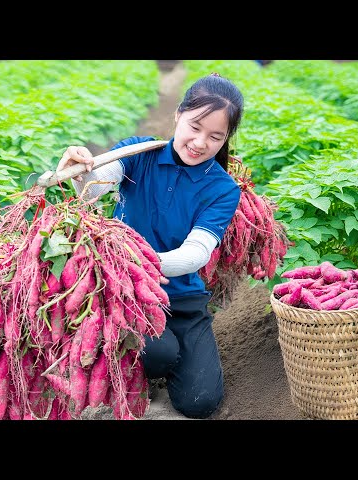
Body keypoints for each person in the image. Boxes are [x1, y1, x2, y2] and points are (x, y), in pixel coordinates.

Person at [55, 73, 244, 419]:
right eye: (195, 127)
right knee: (157, 354)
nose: (200, 142)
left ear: (226, 138)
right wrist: (79, 169)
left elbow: (196, 253)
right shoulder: (139, 153)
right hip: (123, 291)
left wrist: (141, 262)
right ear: (178, 115)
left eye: (215, 136)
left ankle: (156, 358)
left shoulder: (223, 189)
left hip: (181, 299)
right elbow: (96, 187)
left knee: (200, 402)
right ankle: (136, 361)